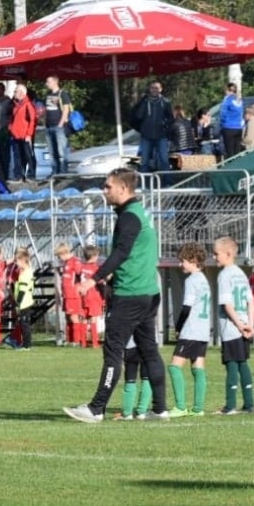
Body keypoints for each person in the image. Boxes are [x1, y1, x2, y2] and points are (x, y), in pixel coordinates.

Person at [64, 168, 169, 423]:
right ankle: (160, 409)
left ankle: (96, 408)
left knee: (113, 351)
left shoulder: (129, 217)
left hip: (130, 294)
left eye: (108, 186)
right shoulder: (137, 212)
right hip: (147, 292)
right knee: (149, 350)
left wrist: (93, 279)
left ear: (123, 189)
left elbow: (121, 252)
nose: (105, 190)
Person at [167, 243, 212, 417]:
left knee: (174, 367)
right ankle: (198, 408)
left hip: (191, 330)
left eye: (183, 261)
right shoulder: (204, 280)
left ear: (193, 260)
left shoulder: (192, 280)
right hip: (203, 331)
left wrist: (178, 327)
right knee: (198, 367)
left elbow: (187, 307)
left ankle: (180, 407)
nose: (180, 264)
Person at [214, 236, 254, 414]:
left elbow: (227, 304)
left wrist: (239, 325)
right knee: (242, 363)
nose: (214, 257)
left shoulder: (224, 275)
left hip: (232, 328)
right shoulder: (241, 274)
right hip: (244, 326)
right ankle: (249, 404)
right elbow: (251, 302)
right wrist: (250, 325)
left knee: (231, 364)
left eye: (216, 254)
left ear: (228, 254)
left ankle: (230, 406)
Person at [133, 81, 174, 174]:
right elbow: (138, 116)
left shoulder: (166, 102)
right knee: (144, 162)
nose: (154, 90)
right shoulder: (144, 101)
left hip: (161, 136)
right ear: (149, 89)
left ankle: (167, 181)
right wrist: (143, 102)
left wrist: (164, 125)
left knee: (164, 161)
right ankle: (144, 181)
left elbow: (171, 118)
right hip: (146, 136)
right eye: (152, 88)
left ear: (161, 89)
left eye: (157, 88)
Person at [5, 247, 36, 349]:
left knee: (24, 324)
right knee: (23, 323)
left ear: (22, 260)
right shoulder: (25, 271)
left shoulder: (26, 273)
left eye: (17, 261)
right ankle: (23, 343)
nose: (16, 263)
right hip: (24, 302)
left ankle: (27, 345)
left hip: (24, 302)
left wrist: (18, 303)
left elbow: (22, 290)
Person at [41, 77, 71, 176]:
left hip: (59, 126)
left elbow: (66, 109)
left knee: (61, 150)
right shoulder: (48, 95)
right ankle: (54, 170)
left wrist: (60, 124)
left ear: (55, 82)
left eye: (48, 82)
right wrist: (44, 123)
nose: (46, 84)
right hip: (49, 126)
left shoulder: (62, 94)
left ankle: (63, 171)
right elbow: (45, 110)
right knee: (52, 151)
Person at [56, 244, 84, 347]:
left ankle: (77, 341)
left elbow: (81, 275)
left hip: (73, 294)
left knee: (74, 316)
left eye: (59, 256)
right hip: (66, 294)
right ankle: (69, 339)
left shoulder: (75, 262)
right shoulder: (66, 263)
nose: (59, 259)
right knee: (67, 317)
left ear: (64, 253)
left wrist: (80, 288)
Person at [8, 83, 38, 181]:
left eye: (15, 91)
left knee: (28, 155)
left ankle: (31, 175)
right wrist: (11, 128)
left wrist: (29, 134)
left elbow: (32, 120)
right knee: (18, 156)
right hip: (16, 135)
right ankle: (19, 176)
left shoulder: (28, 104)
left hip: (25, 135)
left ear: (21, 93)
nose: (14, 93)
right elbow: (13, 119)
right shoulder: (16, 105)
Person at [81, 243, 105, 347]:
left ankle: (83, 342)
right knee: (94, 319)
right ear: (94, 256)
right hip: (94, 296)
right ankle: (95, 342)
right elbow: (100, 281)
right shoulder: (95, 268)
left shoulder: (81, 267)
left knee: (84, 319)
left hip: (83, 296)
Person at [218, 82, 245, 158]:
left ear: (228, 90)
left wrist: (221, 125)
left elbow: (222, 114)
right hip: (238, 128)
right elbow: (241, 114)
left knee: (230, 153)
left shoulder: (227, 100)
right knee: (237, 153)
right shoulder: (239, 100)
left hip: (228, 127)